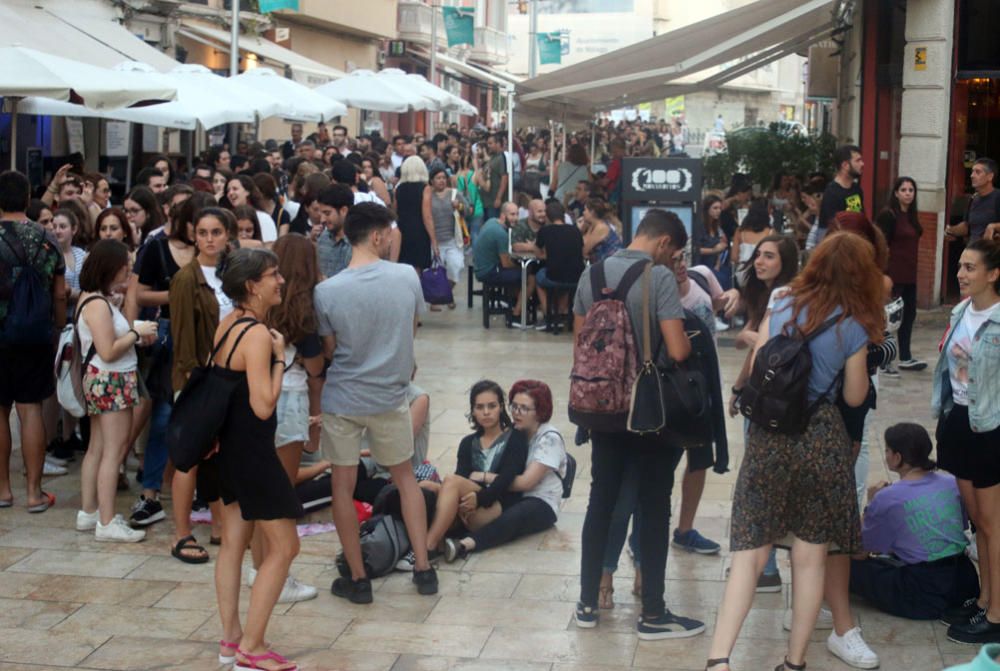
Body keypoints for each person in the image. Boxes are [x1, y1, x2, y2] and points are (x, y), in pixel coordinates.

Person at [707, 232, 886, 671]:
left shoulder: (783, 301)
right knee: (810, 558)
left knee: (749, 552)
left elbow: (764, 356)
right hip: (820, 440)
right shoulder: (854, 325)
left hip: (769, 435)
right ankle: (794, 661)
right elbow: (856, 395)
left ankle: (719, 659)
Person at [572, 209, 705, 639]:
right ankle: (653, 613)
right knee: (653, 504)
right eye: (674, 252)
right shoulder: (658, 278)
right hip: (648, 413)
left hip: (602, 409)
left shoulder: (590, 276)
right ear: (664, 243)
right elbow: (678, 350)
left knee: (601, 501)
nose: (672, 260)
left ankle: (587, 603)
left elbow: (581, 344)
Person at [314, 202, 437, 603]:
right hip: (391, 393)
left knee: (342, 486)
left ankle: (358, 576)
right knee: (406, 479)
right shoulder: (405, 277)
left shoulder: (327, 291)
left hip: (345, 396)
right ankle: (423, 567)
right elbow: (412, 326)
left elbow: (330, 348)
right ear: (379, 235)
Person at [209, 247, 302, 671]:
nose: (280, 280)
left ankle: (230, 640)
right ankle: (253, 646)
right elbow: (263, 405)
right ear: (252, 286)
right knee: (284, 546)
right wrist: (280, 359)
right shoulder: (259, 335)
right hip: (252, 452)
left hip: (227, 449)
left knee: (232, 543)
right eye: (272, 275)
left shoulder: (227, 325)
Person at [933, 239, 1000, 645]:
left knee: (993, 525)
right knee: (978, 523)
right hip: (957, 420)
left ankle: (996, 613)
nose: (961, 273)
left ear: (993, 274)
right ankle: (984, 597)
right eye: (960, 266)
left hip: (990, 429)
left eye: (971, 267)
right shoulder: (960, 311)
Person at [848, 423, 979, 620]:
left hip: (923, 592)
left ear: (897, 457)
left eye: (887, 450)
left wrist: (871, 506)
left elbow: (859, 553)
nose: (886, 454)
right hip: (964, 582)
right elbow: (956, 527)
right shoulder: (951, 483)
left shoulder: (888, 497)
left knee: (842, 562)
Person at [75, 240, 157, 542]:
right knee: (113, 451)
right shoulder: (97, 304)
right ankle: (106, 521)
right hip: (111, 378)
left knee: (97, 447)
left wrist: (132, 333)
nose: (128, 273)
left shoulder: (95, 298)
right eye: (125, 268)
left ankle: (90, 512)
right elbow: (108, 350)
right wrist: (137, 333)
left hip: (103, 378)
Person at [0, 171, 67, 513]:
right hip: (35, 336)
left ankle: (3, 490)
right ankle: (33, 492)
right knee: (31, 412)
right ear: (28, 199)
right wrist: (57, 329)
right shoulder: (47, 237)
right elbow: (59, 294)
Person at [167, 208, 231, 563]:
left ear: (226, 234)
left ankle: (220, 523)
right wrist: (194, 387)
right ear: (195, 236)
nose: (209, 239)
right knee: (188, 459)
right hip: (197, 380)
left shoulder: (233, 273)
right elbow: (183, 342)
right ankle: (181, 532)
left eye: (216, 232)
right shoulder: (185, 280)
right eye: (203, 232)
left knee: (219, 458)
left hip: (229, 380)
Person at [443, 380, 566, 562]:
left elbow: (526, 482)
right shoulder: (517, 433)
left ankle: (466, 544)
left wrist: (486, 477)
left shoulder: (549, 438)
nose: (517, 412)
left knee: (513, 517)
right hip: (515, 496)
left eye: (524, 408)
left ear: (540, 411)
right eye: (514, 406)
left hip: (541, 502)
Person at [424, 380, 527, 556]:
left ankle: (427, 547)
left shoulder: (515, 438)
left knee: (450, 482)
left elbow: (506, 479)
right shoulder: (468, 443)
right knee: (425, 485)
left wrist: (478, 498)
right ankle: (433, 539)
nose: (486, 412)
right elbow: (462, 476)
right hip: (468, 506)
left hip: (496, 505)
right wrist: (468, 498)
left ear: (501, 407)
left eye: (492, 406)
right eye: (480, 407)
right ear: (473, 410)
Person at [875, 176, 924, 372]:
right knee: (889, 317)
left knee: (909, 314)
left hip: (910, 273)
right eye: (903, 190)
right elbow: (879, 243)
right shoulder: (888, 215)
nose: (908, 193)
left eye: (911, 190)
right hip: (892, 274)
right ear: (896, 193)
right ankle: (883, 357)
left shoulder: (912, 216)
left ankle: (905, 356)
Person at [424, 166, 469, 308]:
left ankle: (446, 293)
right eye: (438, 178)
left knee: (456, 266)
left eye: (444, 178)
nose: (441, 181)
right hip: (434, 240)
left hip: (453, 239)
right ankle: (438, 299)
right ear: (431, 180)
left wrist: (459, 206)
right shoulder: (428, 196)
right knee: (437, 271)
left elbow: (468, 210)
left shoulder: (455, 194)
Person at [534, 201, 584, 318]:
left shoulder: (545, 231)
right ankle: (562, 310)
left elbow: (537, 252)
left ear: (547, 216)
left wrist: (546, 256)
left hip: (554, 275)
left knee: (538, 277)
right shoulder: (575, 231)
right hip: (576, 277)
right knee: (567, 280)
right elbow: (581, 251)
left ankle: (549, 314)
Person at [817, 145, 864, 243]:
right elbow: (831, 228)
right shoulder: (832, 193)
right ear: (845, 165)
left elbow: (858, 217)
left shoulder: (856, 189)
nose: (862, 164)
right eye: (858, 160)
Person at [395, 156, 433, 273]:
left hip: (403, 229)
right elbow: (427, 216)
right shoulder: (425, 188)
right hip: (419, 230)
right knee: (418, 267)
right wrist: (434, 240)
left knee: (405, 266)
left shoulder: (399, 188)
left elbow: (395, 210)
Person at [947, 158, 1000, 242]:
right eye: (972, 171)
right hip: (972, 251)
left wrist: (993, 226)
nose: (972, 175)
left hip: (991, 253)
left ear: (990, 176)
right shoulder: (973, 199)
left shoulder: (997, 197)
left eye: (977, 172)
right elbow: (966, 227)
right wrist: (950, 230)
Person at [315, 184, 354, 279]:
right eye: (321, 214)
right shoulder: (322, 239)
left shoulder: (359, 243)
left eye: (327, 213)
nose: (322, 220)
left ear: (344, 211)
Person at [225, 175, 277, 243]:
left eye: (235, 189)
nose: (230, 193)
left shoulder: (263, 217)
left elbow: (270, 244)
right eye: (228, 190)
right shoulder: (228, 217)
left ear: (247, 192)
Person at [697, 195, 730, 290]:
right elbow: (695, 249)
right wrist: (713, 250)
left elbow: (719, 248)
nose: (718, 211)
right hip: (702, 266)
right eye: (715, 208)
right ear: (707, 209)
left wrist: (718, 264)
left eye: (720, 208)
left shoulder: (716, 227)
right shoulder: (700, 227)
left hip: (714, 265)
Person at [580, 198, 623, 264]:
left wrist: (580, 230)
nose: (583, 213)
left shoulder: (601, 227)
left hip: (611, 265)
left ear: (592, 212)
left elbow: (584, 250)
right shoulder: (592, 226)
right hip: (602, 264)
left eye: (585, 210)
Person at [477, 133, 508, 220]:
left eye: (490, 143)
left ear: (498, 144)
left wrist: (498, 198)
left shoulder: (502, 158)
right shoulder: (493, 157)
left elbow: (504, 178)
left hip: (494, 201)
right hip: (487, 201)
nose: (488, 146)